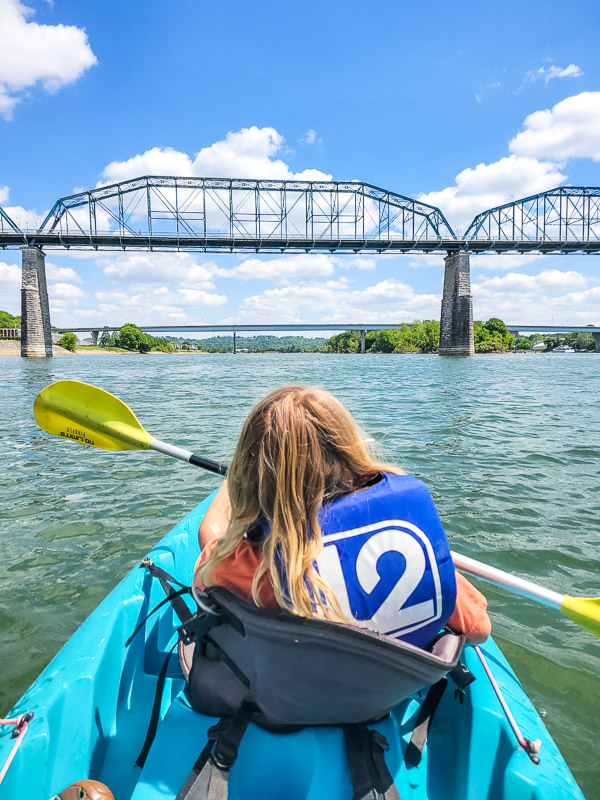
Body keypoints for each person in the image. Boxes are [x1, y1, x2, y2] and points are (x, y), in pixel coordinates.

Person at [194, 386, 490, 647]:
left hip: (293, 699)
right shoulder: (409, 546)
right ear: (350, 453)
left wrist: (233, 484)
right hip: (386, 697)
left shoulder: (258, 570)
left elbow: (210, 542)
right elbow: (479, 630)